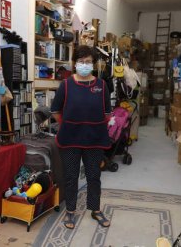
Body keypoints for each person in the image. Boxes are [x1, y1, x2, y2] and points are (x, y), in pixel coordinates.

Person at [51, 45, 111, 229]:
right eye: (81, 61)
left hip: (94, 139)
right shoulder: (66, 85)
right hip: (70, 139)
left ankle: (95, 209)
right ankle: (70, 211)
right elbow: (55, 111)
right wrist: (69, 124)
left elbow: (107, 113)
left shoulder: (102, 85)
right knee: (71, 176)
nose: (84, 65)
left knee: (94, 176)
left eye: (88, 62)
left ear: (93, 64)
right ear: (75, 63)